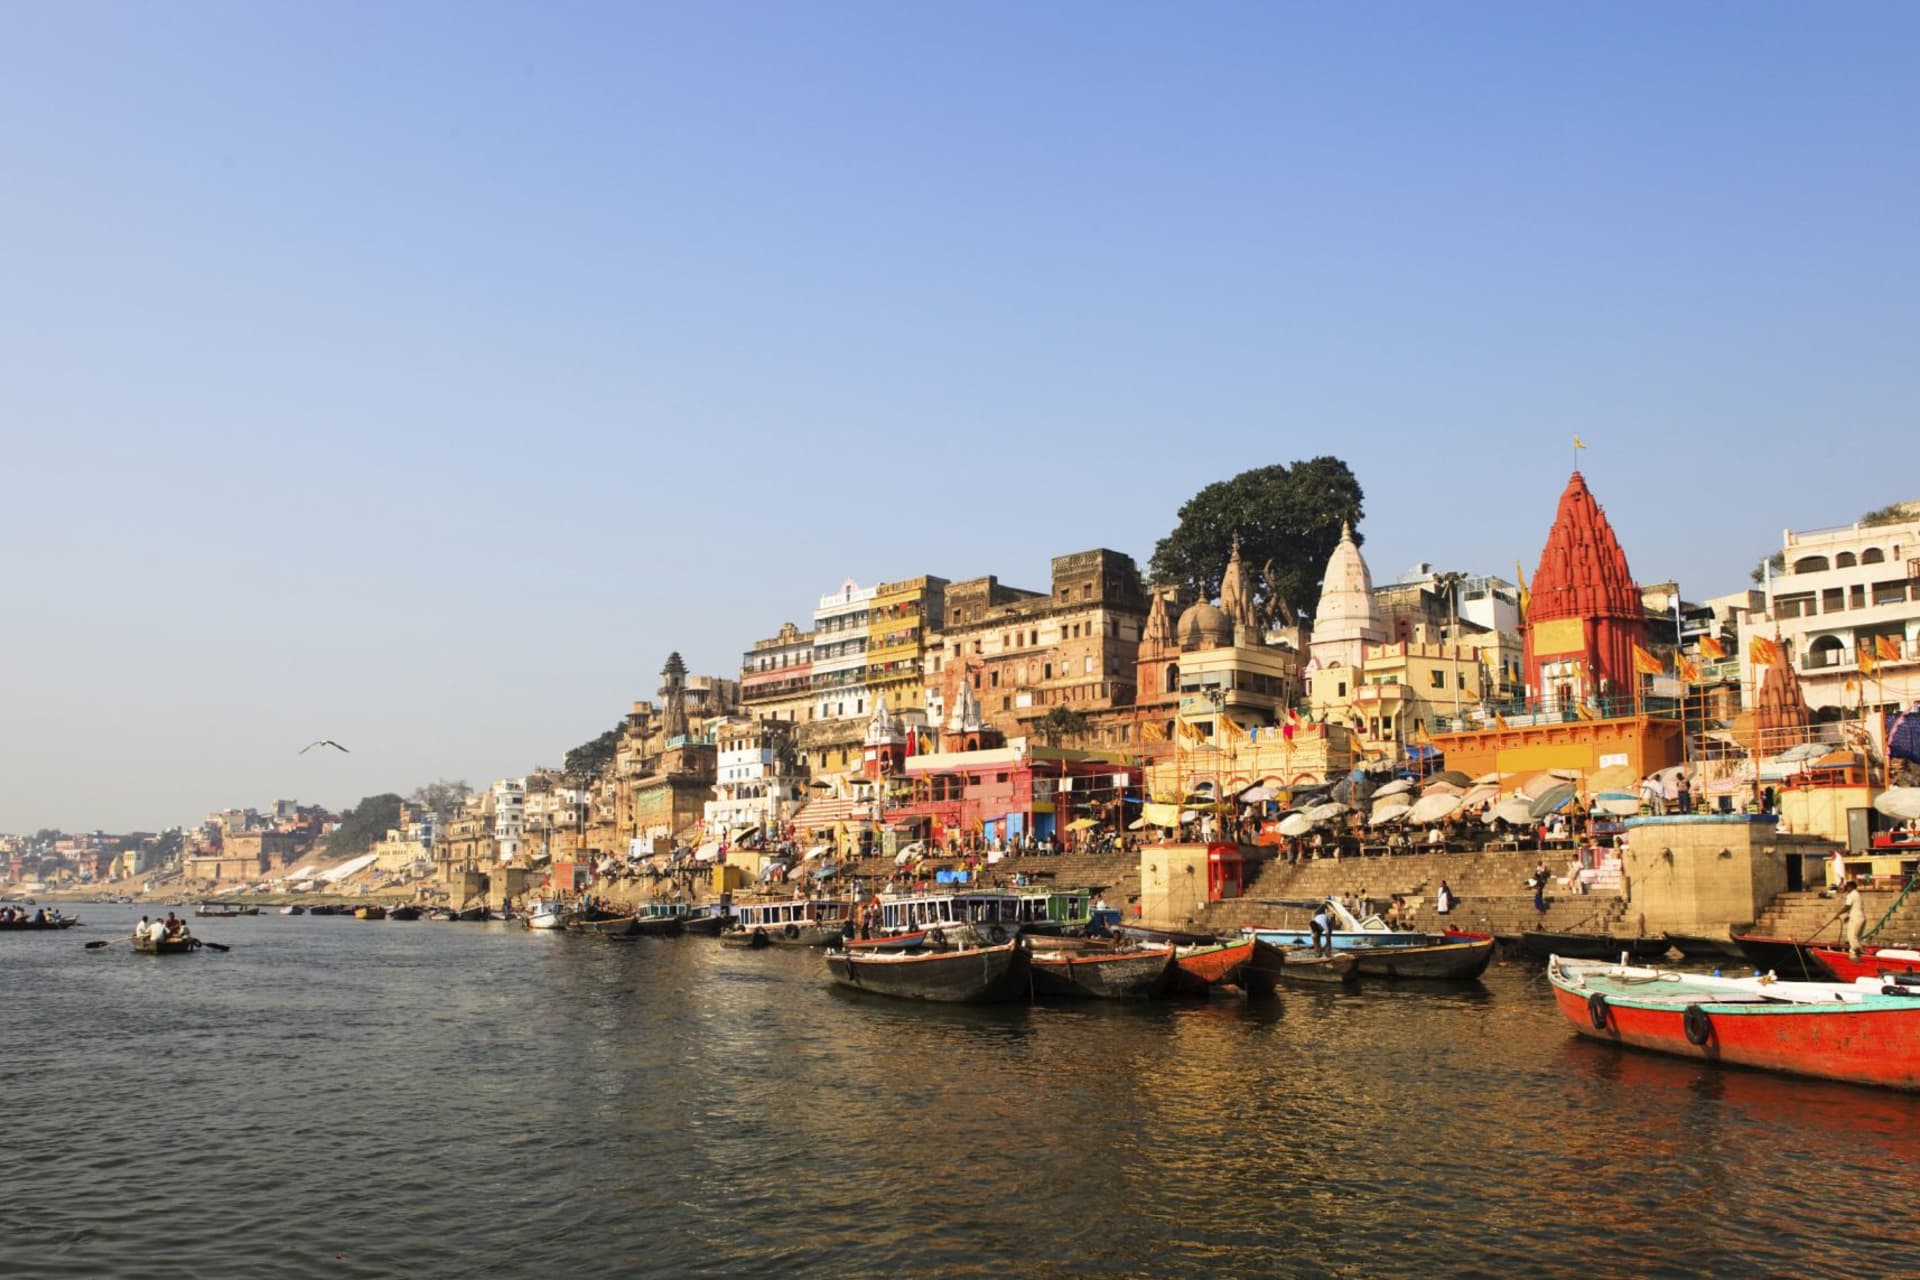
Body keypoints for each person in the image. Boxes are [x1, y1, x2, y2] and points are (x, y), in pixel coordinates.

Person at [1843, 878, 1866, 960]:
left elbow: (1847, 906)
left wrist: (1837, 914)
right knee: (1857, 937)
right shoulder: (1857, 894)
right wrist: (1848, 916)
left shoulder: (1852, 894)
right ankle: (1859, 952)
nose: (1846, 889)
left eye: (1847, 887)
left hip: (1856, 919)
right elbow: (1855, 907)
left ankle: (1856, 953)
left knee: (1851, 937)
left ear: (1850, 887)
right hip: (1860, 918)